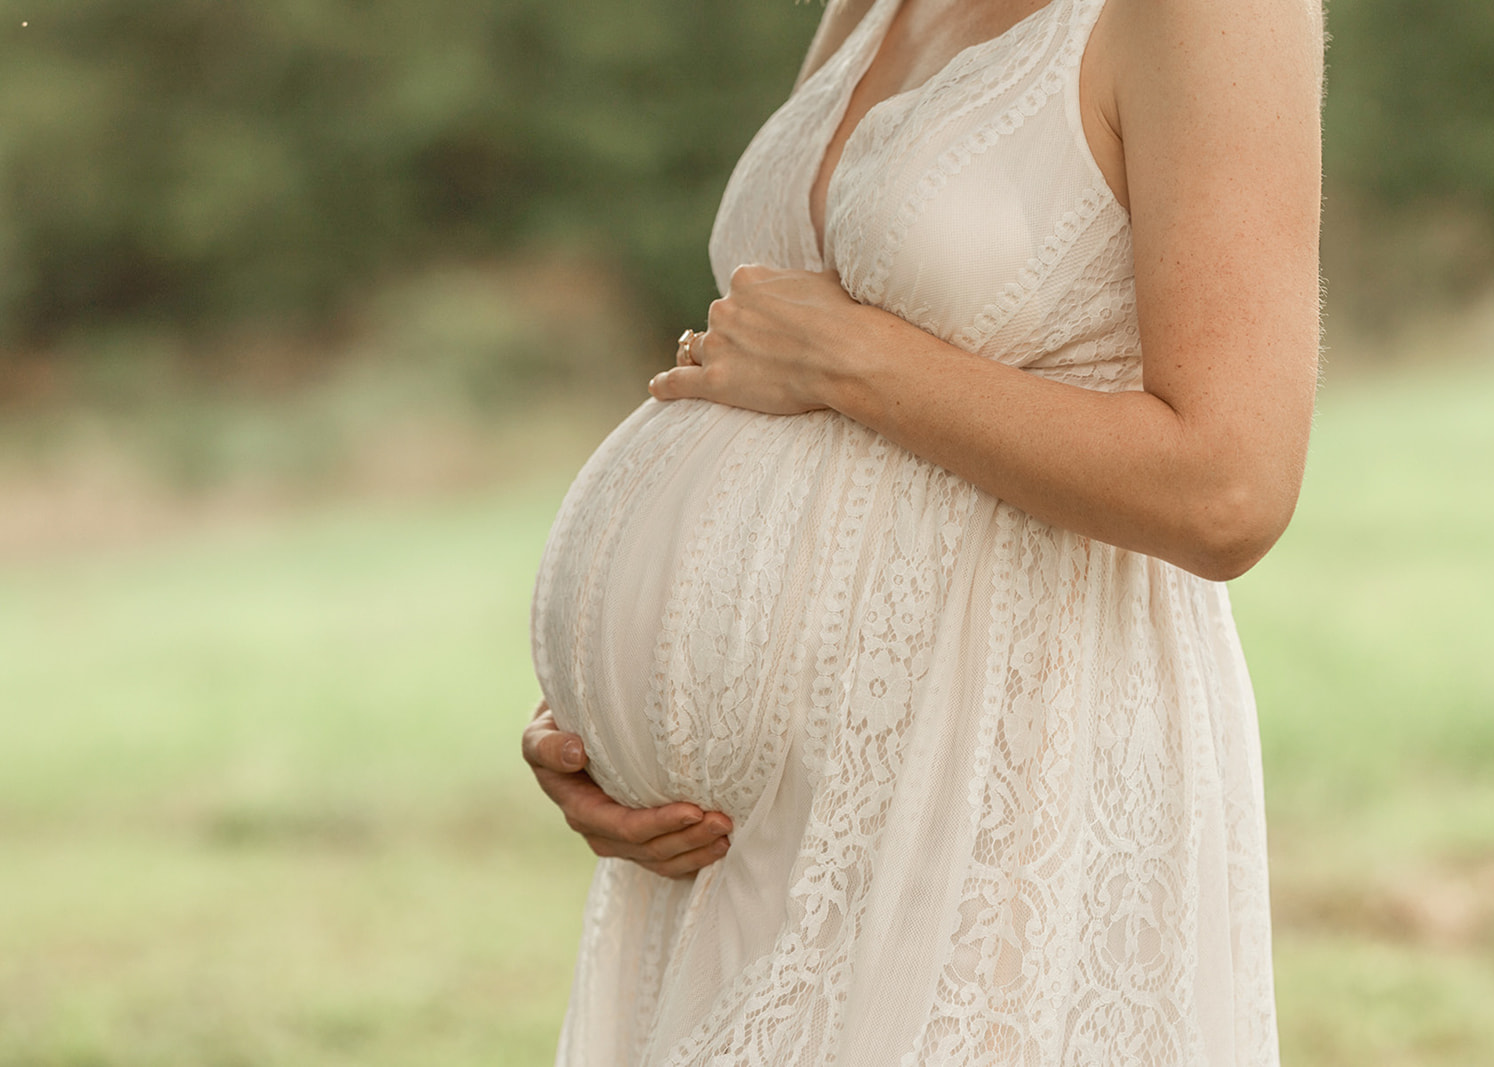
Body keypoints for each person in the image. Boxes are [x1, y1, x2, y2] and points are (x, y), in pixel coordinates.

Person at [524, 0, 1322, 1061]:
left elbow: (1227, 487)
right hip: (722, 857)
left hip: (993, 775)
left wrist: (848, 363)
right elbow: (766, 340)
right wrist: (599, 714)